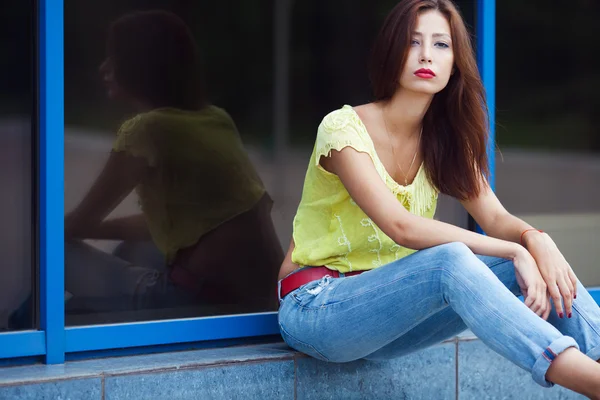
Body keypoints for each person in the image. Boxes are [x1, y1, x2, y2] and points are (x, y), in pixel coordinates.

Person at [276, 0, 600, 397]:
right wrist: (516, 252)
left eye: (441, 44)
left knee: (534, 258)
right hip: (318, 309)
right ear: (392, 51)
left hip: (390, 324)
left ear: (455, 63)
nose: (427, 55)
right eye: (413, 42)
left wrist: (536, 240)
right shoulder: (343, 129)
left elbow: (497, 219)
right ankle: (590, 381)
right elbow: (400, 226)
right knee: (453, 259)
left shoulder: (444, 139)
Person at [64, 10, 283, 320]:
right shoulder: (215, 119)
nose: (104, 69)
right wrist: (93, 230)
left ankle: (23, 336)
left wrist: (59, 230)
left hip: (194, 301)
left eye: (114, 59)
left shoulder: (147, 131)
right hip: (259, 303)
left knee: (52, 252)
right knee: (130, 252)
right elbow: (191, 224)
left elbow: (76, 224)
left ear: (139, 64)